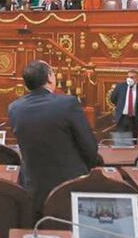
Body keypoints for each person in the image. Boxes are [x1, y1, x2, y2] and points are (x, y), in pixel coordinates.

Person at [8, 60, 98, 212]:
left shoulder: (14, 108)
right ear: (50, 77)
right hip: (69, 187)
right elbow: (89, 147)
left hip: (32, 187)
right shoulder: (68, 103)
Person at [109, 69, 138, 139]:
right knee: (121, 140)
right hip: (121, 117)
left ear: (137, 78)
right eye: (128, 77)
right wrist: (120, 106)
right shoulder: (120, 86)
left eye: (132, 77)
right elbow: (113, 98)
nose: (129, 79)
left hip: (134, 119)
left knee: (132, 140)